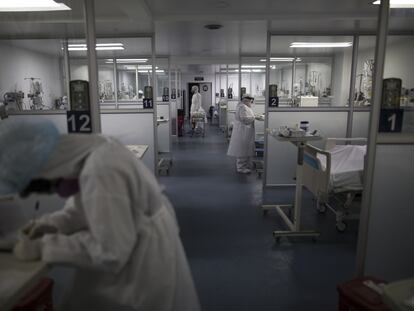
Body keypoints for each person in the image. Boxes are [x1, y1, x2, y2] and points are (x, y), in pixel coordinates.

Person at [0, 118, 201, 311]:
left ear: (45, 168)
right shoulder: (92, 150)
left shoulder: (101, 169)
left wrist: (43, 247)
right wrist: (52, 224)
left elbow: (110, 252)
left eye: (42, 186)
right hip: (136, 242)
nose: (52, 191)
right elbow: (84, 208)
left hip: (139, 265)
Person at [227, 94, 256, 174]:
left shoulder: (244, 106)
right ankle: (241, 167)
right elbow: (244, 118)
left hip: (245, 130)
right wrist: (254, 118)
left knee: (244, 148)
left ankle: (244, 165)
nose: (251, 102)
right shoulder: (242, 107)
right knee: (242, 149)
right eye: (250, 100)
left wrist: (253, 117)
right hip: (243, 130)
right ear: (246, 100)